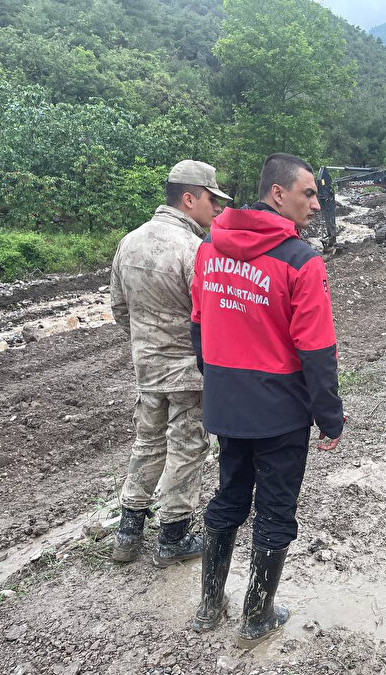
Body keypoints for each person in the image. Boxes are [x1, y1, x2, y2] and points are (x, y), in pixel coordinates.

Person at [188, 153, 344, 647]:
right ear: (279, 194)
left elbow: (199, 329)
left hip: (227, 405)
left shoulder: (209, 249)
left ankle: (210, 606)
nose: (316, 204)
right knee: (276, 512)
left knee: (229, 496)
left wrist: (218, 384)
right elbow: (317, 349)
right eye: (308, 193)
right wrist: (329, 417)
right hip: (279, 413)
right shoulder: (301, 260)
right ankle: (256, 616)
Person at [110, 160, 230, 566]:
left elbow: (119, 309)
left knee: (147, 443)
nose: (216, 209)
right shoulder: (195, 249)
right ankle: (173, 536)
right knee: (187, 447)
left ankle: (128, 533)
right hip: (187, 371)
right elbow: (210, 315)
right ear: (189, 198)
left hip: (146, 368)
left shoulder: (129, 242)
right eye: (212, 200)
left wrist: (146, 345)